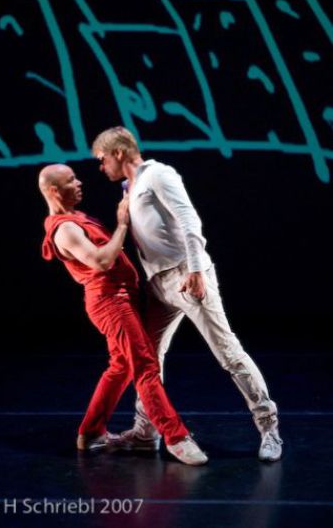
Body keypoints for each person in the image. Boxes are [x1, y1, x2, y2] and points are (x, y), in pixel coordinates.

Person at [92, 127, 283, 462]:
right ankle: (146, 430)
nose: (101, 166)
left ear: (118, 153)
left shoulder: (158, 174)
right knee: (147, 360)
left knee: (228, 352)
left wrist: (195, 270)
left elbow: (189, 220)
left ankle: (269, 428)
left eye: (102, 158)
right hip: (157, 285)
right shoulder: (128, 188)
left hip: (186, 276)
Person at [38, 163, 209, 465]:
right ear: (54, 190)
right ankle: (176, 437)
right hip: (109, 303)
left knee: (121, 366)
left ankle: (91, 432)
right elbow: (102, 261)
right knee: (144, 364)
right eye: (71, 180)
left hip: (121, 298)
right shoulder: (64, 229)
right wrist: (122, 224)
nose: (79, 183)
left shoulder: (76, 218)